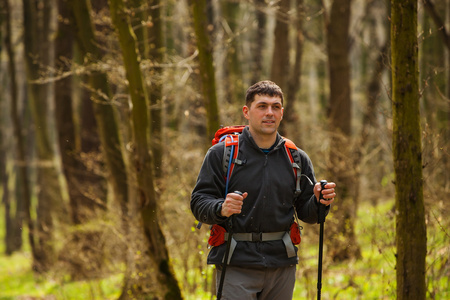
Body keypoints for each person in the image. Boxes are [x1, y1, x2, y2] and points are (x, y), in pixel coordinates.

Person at [191, 80, 336, 299]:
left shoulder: (296, 158)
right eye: (262, 106)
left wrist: (319, 201)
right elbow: (198, 201)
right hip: (235, 263)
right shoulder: (222, 154)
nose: (269, 112)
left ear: (282, 113)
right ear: (246, 112)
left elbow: (308, 214)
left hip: (282, 264)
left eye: (275, 107)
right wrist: (222, 207)